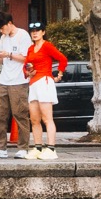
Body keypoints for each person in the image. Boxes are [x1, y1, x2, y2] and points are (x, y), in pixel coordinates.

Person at [21, 21, 68, 161]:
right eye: (32, 31)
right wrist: (29, 71)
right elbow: (25, 66)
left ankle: (51, 148)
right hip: (33, 82)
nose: (34, 33)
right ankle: (37, 147)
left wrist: (59, 75)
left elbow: (62, 59)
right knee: (34, 119)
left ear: (43, 32)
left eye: (38, 30)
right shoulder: (30, 48)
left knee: (47, 118)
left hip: (45, 82)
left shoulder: (47, 46)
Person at [0, 11, 31, 158]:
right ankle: (0, 147)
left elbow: (26, 58)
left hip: (19, 81)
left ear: (10, 24)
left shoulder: (23, 35)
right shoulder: (3, 37)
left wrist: (8, 54)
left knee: (20, 114)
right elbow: (2, 60)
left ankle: (23, 147)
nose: (1, 31)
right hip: (3, 80)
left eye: (2, 28)